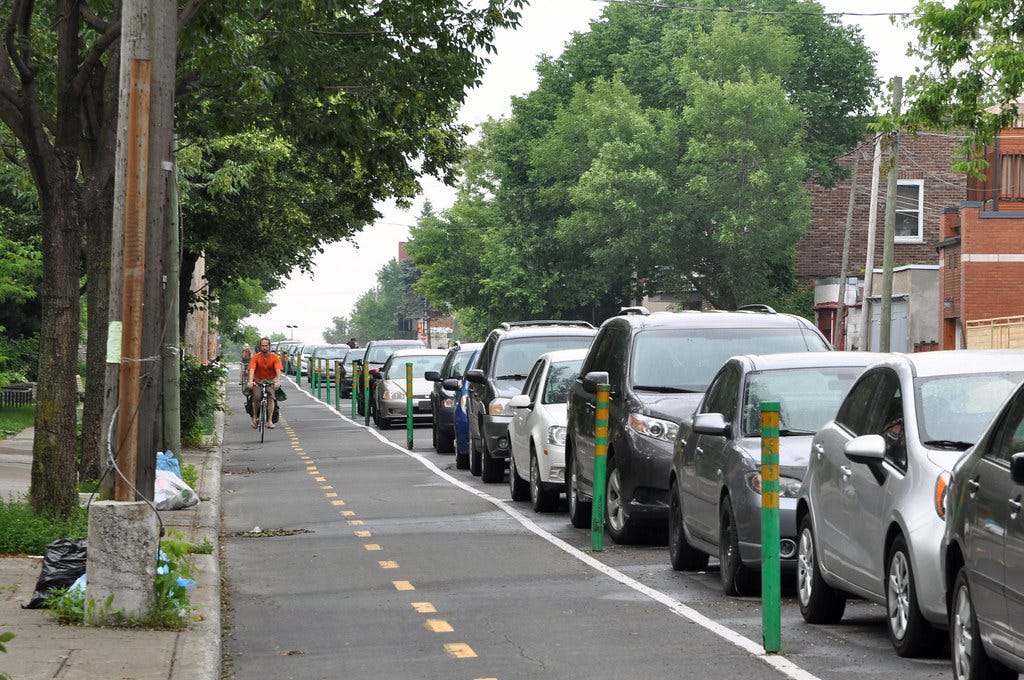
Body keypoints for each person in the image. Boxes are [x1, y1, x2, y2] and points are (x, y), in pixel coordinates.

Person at [248, 337, 284, 429]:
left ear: (269, 346)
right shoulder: (255, 357)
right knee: (256, 396)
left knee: (271, 397)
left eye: (266, 346)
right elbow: (252, 369)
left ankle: (270, 420)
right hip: (257, 381)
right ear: (260, 346)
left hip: (270, 381)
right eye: (262, 345)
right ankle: (255, 417)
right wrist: (250, 381)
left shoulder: (274, 357)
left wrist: (278, 381)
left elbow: (278, 370)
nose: (264, 347)